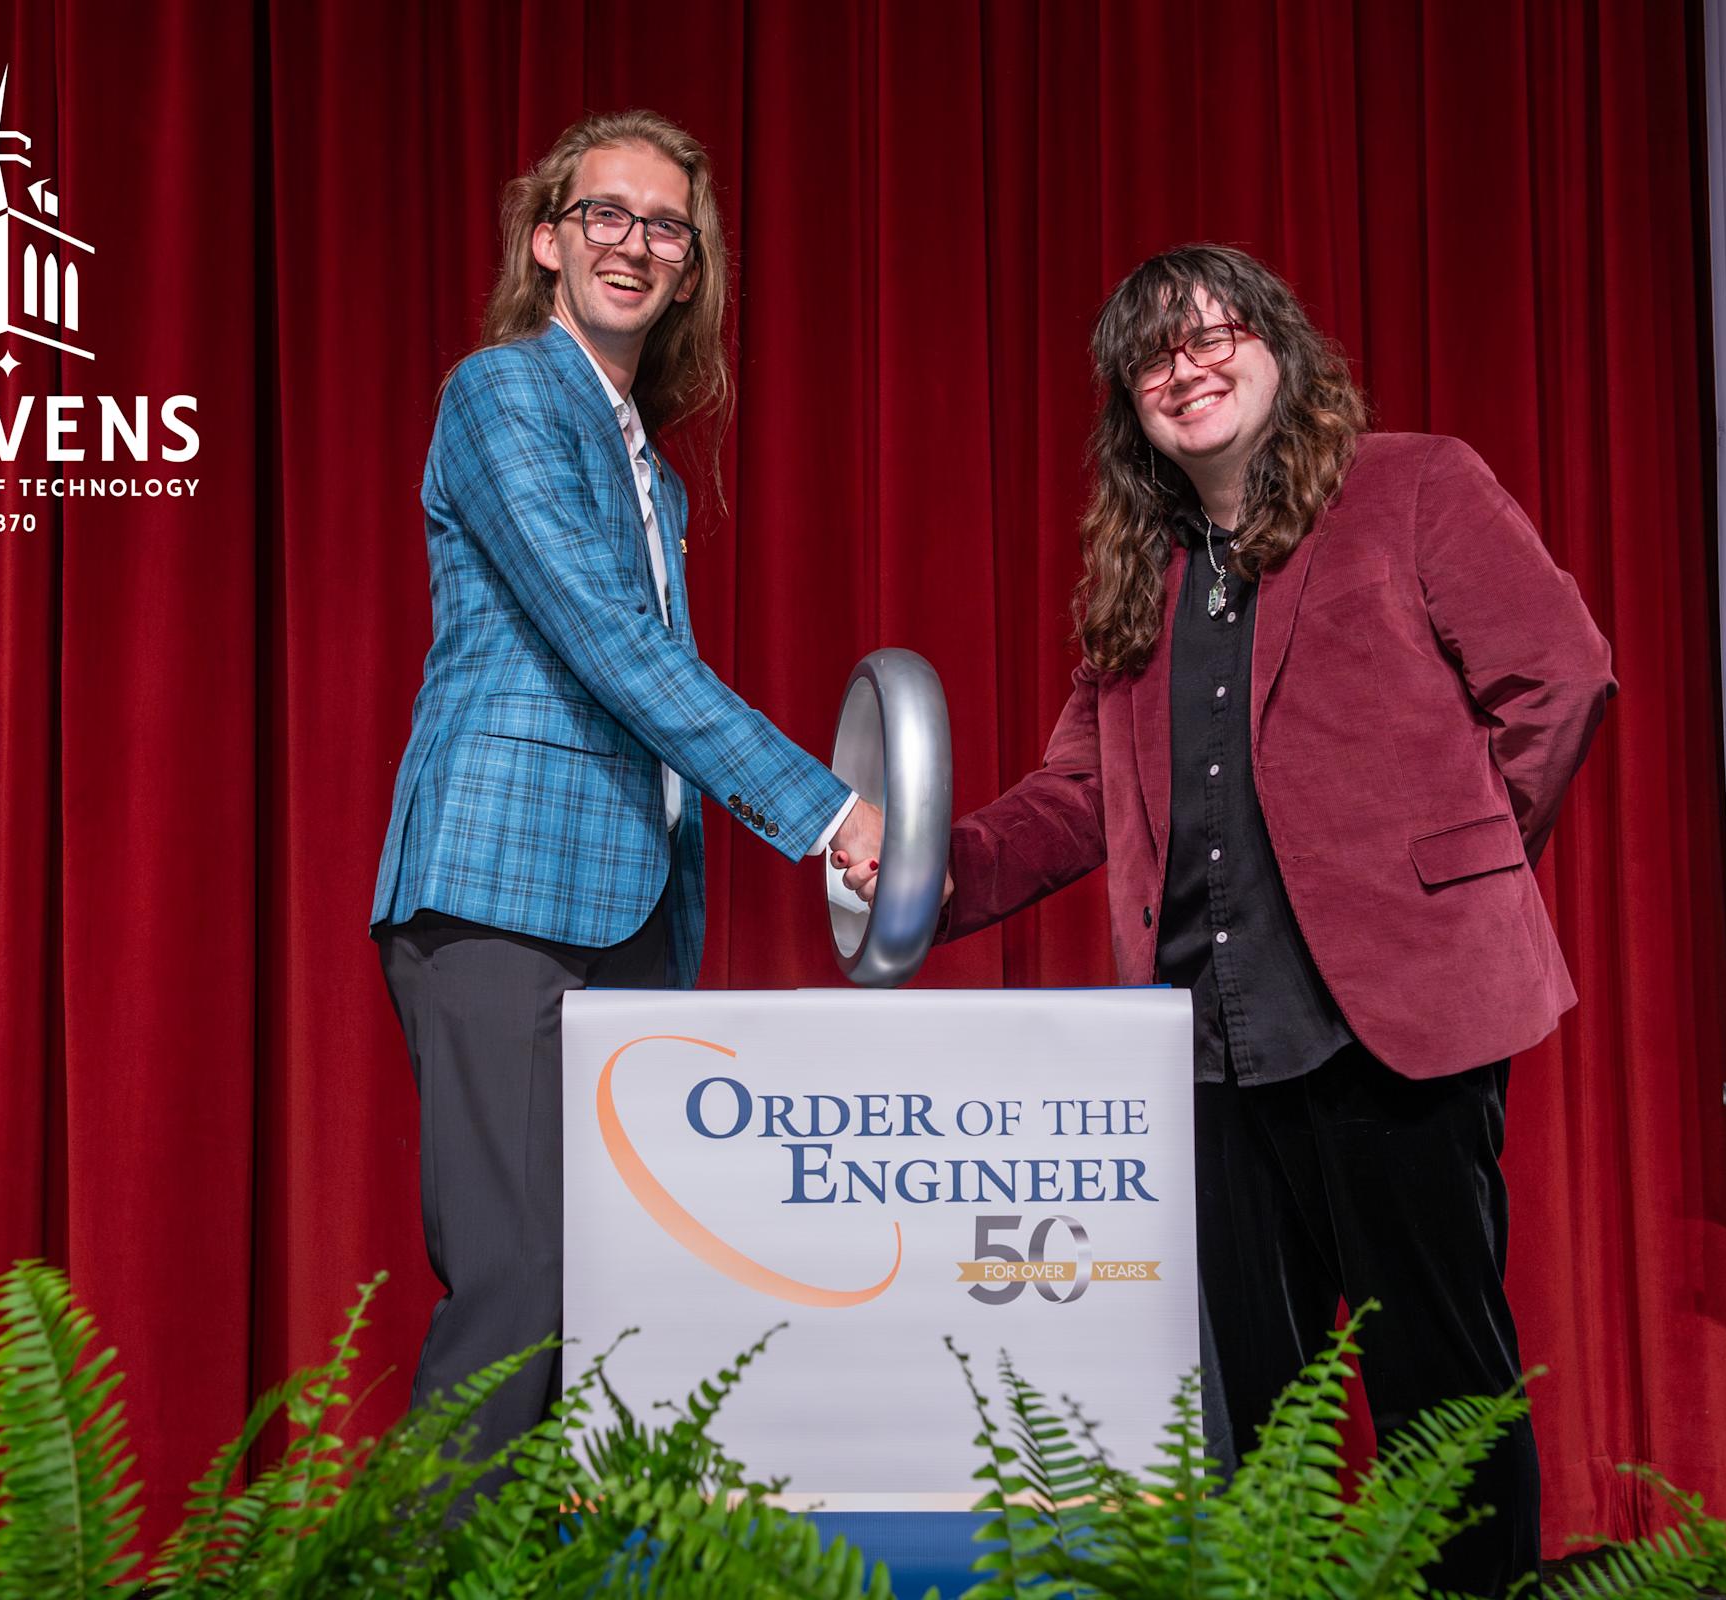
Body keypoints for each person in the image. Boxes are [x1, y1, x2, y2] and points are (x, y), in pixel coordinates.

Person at [852, 243, 1614, 1592]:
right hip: (1206, 1044)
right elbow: (1074, 798)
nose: (1187, 367)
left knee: (1442, 1385)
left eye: (1215, 336)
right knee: (1256, 1412)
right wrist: (921, 873)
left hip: (1395, 1028)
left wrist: (1441, 884)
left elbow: (1559, 677)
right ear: (1127, 403)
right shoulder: (1139, 571)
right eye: (1155, 354)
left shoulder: (1415, 484)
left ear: (1278, 348)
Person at [370, 109, 882, 1467]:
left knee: (616, 1311)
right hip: (499, 897)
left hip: (635, 919)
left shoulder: (649, 461)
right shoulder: (503, 394)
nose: (635, 243)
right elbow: (605, 639)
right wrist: (828, 811)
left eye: (667, 226)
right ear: (547, 241)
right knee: (519, 1299)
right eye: (606, 212)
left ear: (691, 270)